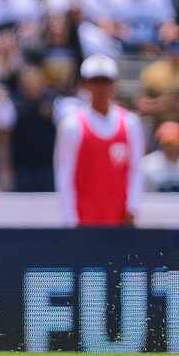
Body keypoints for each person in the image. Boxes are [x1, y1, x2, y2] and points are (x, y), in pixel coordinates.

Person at [54, 55, 145, 227]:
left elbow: (136, 169)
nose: (101, 87)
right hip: (83, 218)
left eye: (106, 81)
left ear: (114, 84)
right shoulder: (72, 125)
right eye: (95, 81)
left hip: (119, 218)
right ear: (85, 84)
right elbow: (64, 174)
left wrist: (133, 208)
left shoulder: (130, 123)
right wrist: (70, 219)